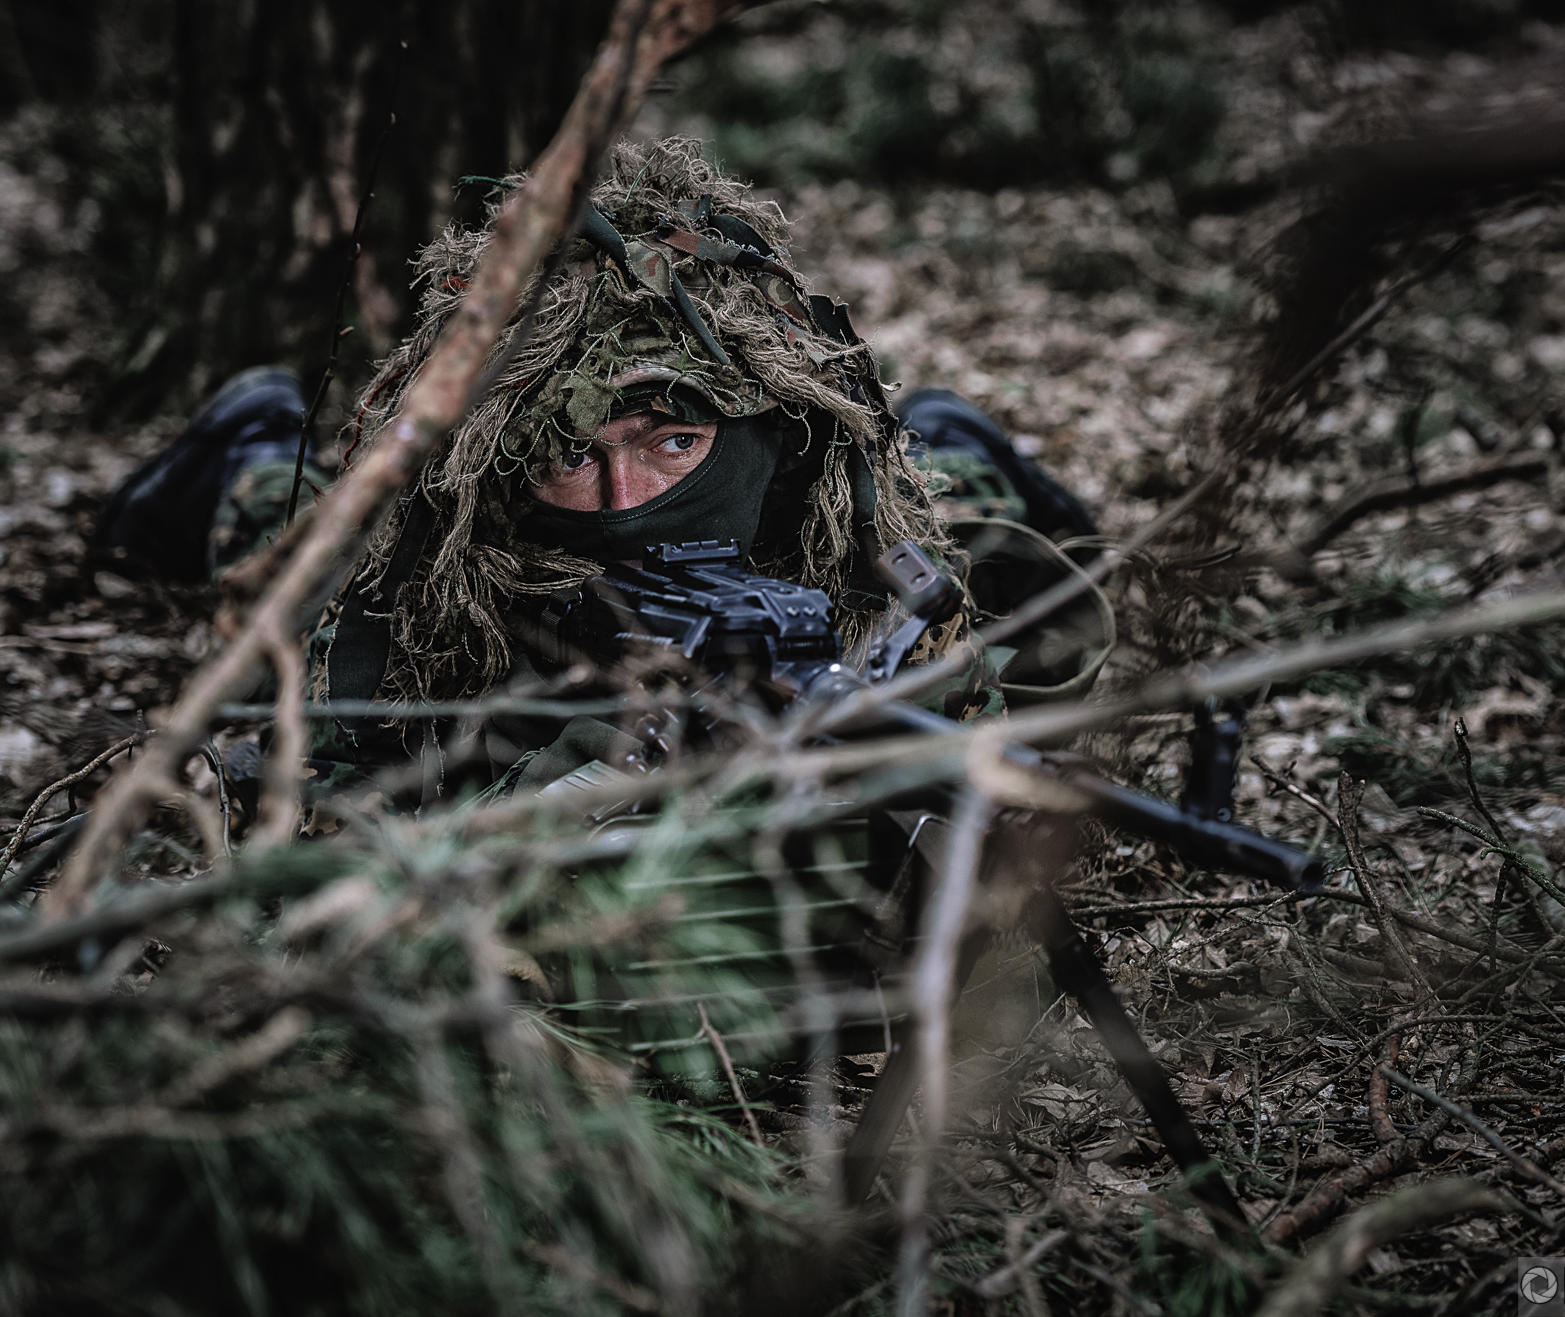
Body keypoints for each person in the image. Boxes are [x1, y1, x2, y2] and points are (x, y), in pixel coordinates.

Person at [94, 138, 1108, 813]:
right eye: (571, 454)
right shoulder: (426, 572)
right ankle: (257, 420)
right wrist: (533, 781)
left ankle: (942, 420)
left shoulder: (832, 511)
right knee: (274, 512)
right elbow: (295, 805)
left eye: (673, 443)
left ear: (763, 443)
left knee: (953, 478)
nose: (627, 502)